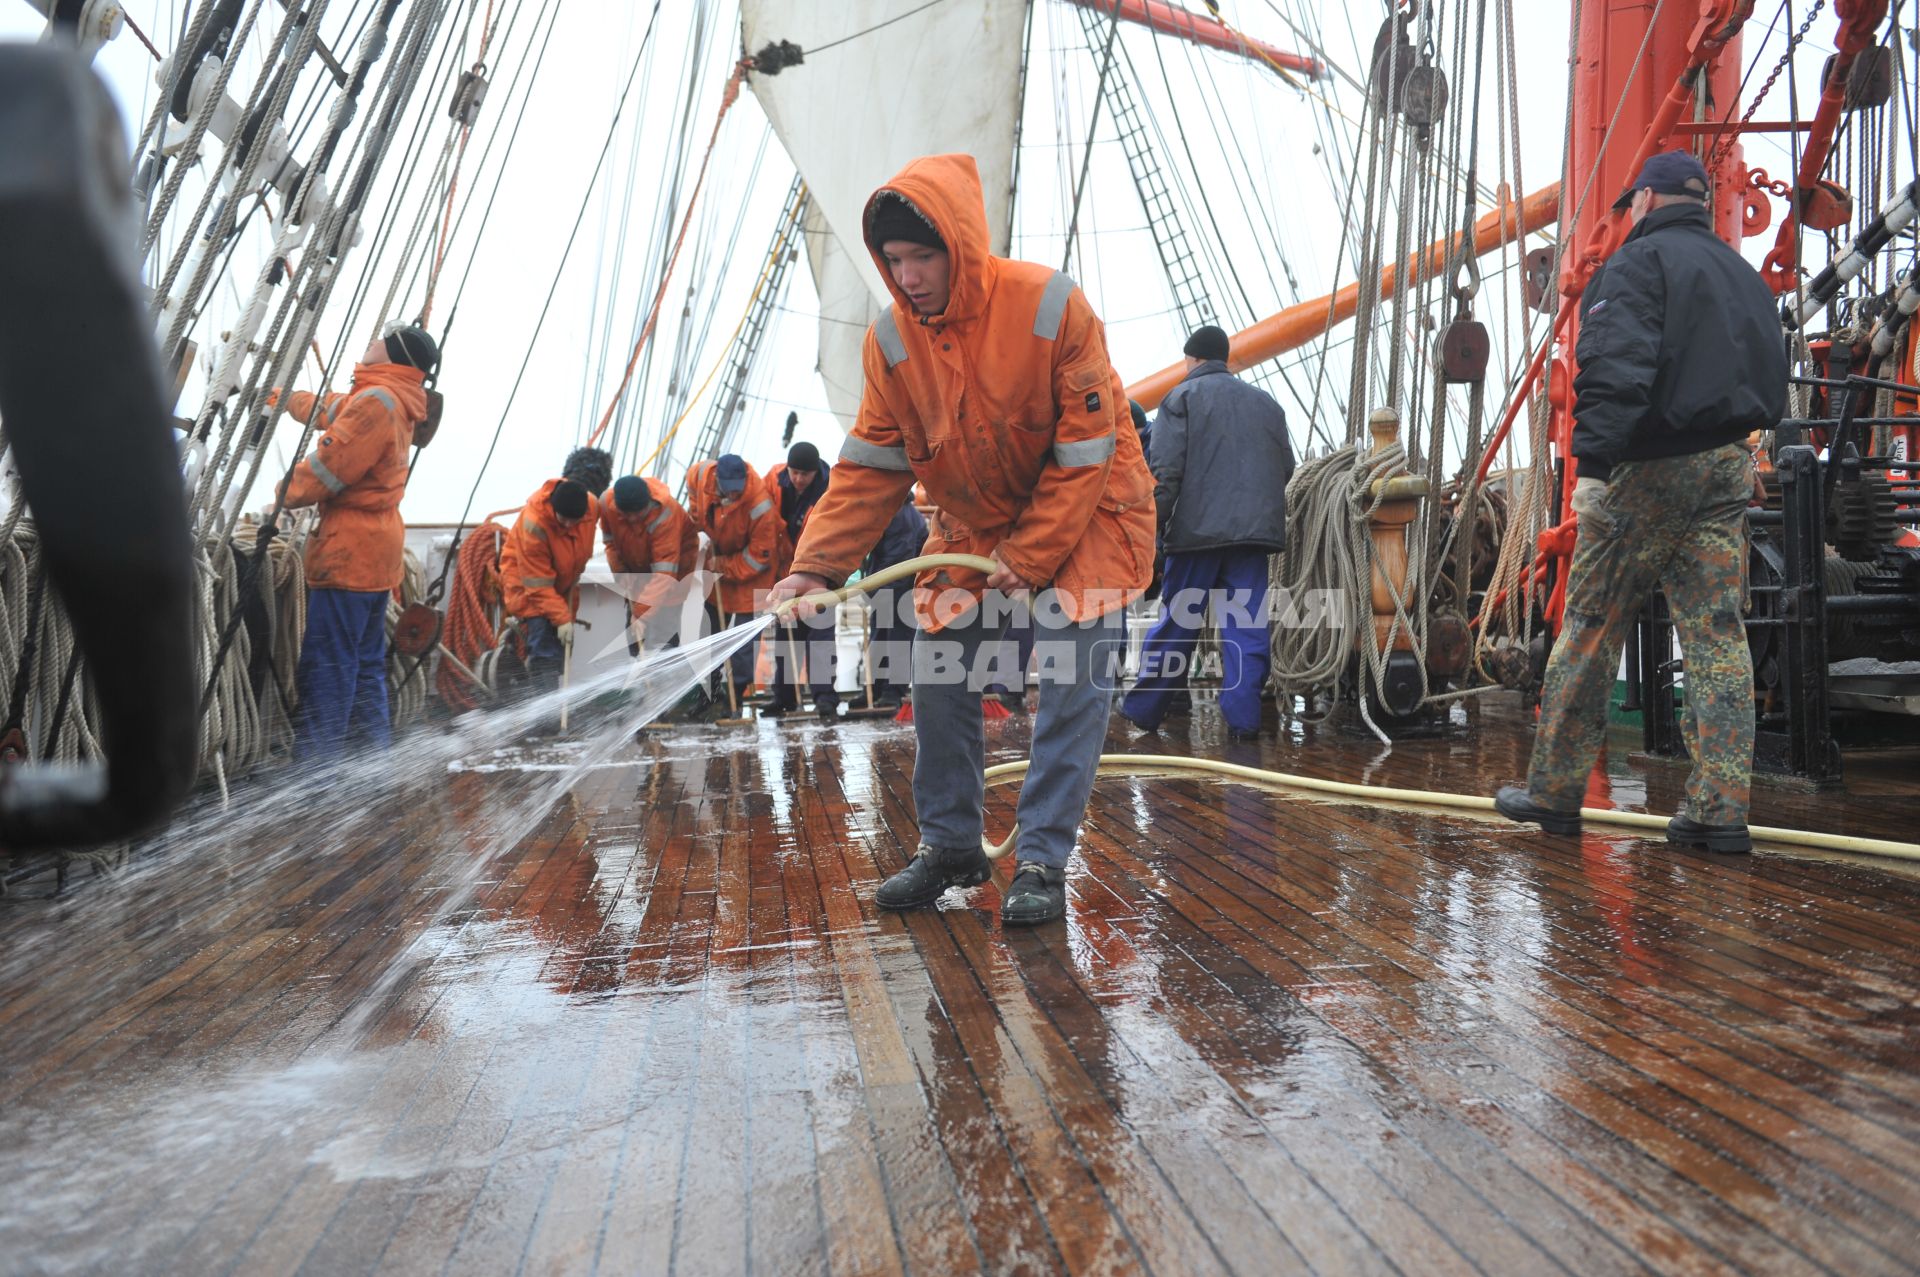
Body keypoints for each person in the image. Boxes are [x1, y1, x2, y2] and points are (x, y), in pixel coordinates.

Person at [768, 153, 1154, 927]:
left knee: (1074, 668)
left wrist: (1032, 556)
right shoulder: (891, 343)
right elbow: (871, 466)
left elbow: (1085, 450)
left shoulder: (1051, 306)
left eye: (923, 256)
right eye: (894, 261)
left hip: (1091, 510)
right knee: (938, 662)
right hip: (975, 520)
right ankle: (951, 844)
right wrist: (814, 567)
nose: (907, 276)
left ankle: (1041, 856)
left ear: (961, 245)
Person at [1494, 149, 1784, 855]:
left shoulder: (1635, 267)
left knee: (1592, 622)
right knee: (1717, 634)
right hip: (1727, 466)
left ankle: (1555, 791)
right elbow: (1772, 367)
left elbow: (1615, 366)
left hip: (1652, 467)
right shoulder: (1743, 278)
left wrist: (1592, 465)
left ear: (1648, 202)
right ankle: (1719, 808)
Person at [1120, 324, 1294, 741]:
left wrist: (1151, 535)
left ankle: (1144, 712)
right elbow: (1285, 467)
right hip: (1251, 540)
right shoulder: (1267, 405)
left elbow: (1164, 475)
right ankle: (1244, 720)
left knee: (1177, 624)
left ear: (1191, 359)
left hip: (1196, 536)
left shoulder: (1180, 399)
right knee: (1246, 628)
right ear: (1224, 358)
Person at [277, 322, 436, 761]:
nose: (371, 340)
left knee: (330, 664)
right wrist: (282, 399)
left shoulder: (376, 402)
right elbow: (332, 409)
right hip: (377, 553)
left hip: (349, 552)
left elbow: (329, 469)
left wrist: (281, 496)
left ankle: (316, 774)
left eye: (380, 338)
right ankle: (372, 762)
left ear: (392, 353)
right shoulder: (393, 397)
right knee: (365, 664)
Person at [686, 453, 782, 707]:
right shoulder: (700, 474)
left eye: (737, 492)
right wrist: (699, 523)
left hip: (752, 578)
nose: (734, 496)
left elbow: (759, 555)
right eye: (729, 491)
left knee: (743, 646)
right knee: (709, 637)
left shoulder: (761, 506)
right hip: (718, 573)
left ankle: (736, 697)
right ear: (717, 478)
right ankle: (709, 694)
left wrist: (723, 565)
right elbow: (694, 496)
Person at [499, 473, 597, 706]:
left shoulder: (591, 506)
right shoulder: (533, 524)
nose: (568, 526)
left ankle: (551, 705)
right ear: (553, 508)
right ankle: (546, 715)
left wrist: (564, 617)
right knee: (543, 643)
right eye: (563, 519)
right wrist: (562, 619)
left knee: (560, 652)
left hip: (565, 585)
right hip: (528, 585)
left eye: (574, 521)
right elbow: (538, 584)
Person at [766, 439, 839, 718]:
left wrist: (825, 574)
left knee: (820, 638)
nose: (798, 479)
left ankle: (825, 699)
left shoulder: (831, 490)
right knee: (786, 641)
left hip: (821, 575)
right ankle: (784, 698)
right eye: (794, 472)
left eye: (804, 474)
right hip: (787, 575)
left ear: (814, 473)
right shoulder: (773, 480)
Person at [599, 473, 698, 651]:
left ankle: (668, 677)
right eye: (627, 516)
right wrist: (620, 571)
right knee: (635, 638)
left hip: (672, 576)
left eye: (638, 515)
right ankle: (640, 674)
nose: (633, 520)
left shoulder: (667, 513)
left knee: (664, 639)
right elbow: (610, 541)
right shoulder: (606, 504)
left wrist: (641, 614)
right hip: (637, 574)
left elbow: (664, 575)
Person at [861, 492, 929, 708]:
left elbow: (899, 561)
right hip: (888, 584)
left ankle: (893, 691)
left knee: (899, 639)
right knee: (880, 637)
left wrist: (875, 590)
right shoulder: (887, 511)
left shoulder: (899, 516)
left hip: (904, 587)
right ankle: (874, 689)